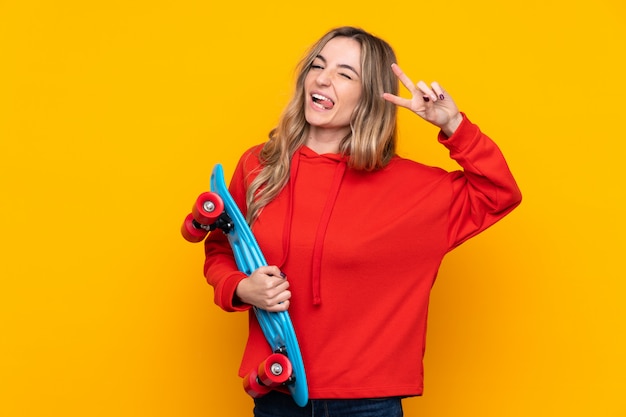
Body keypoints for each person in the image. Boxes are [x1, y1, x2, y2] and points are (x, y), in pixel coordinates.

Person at [202, 26, 522, 417]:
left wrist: (452, 125)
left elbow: (499, 193)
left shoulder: (412, 189)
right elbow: (221, 247)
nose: (322, 78)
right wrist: (241, 288)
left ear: (370, 97)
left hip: (368, 403)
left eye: (344, 73)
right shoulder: (259, 166)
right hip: (276, 394)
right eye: (317, 66)